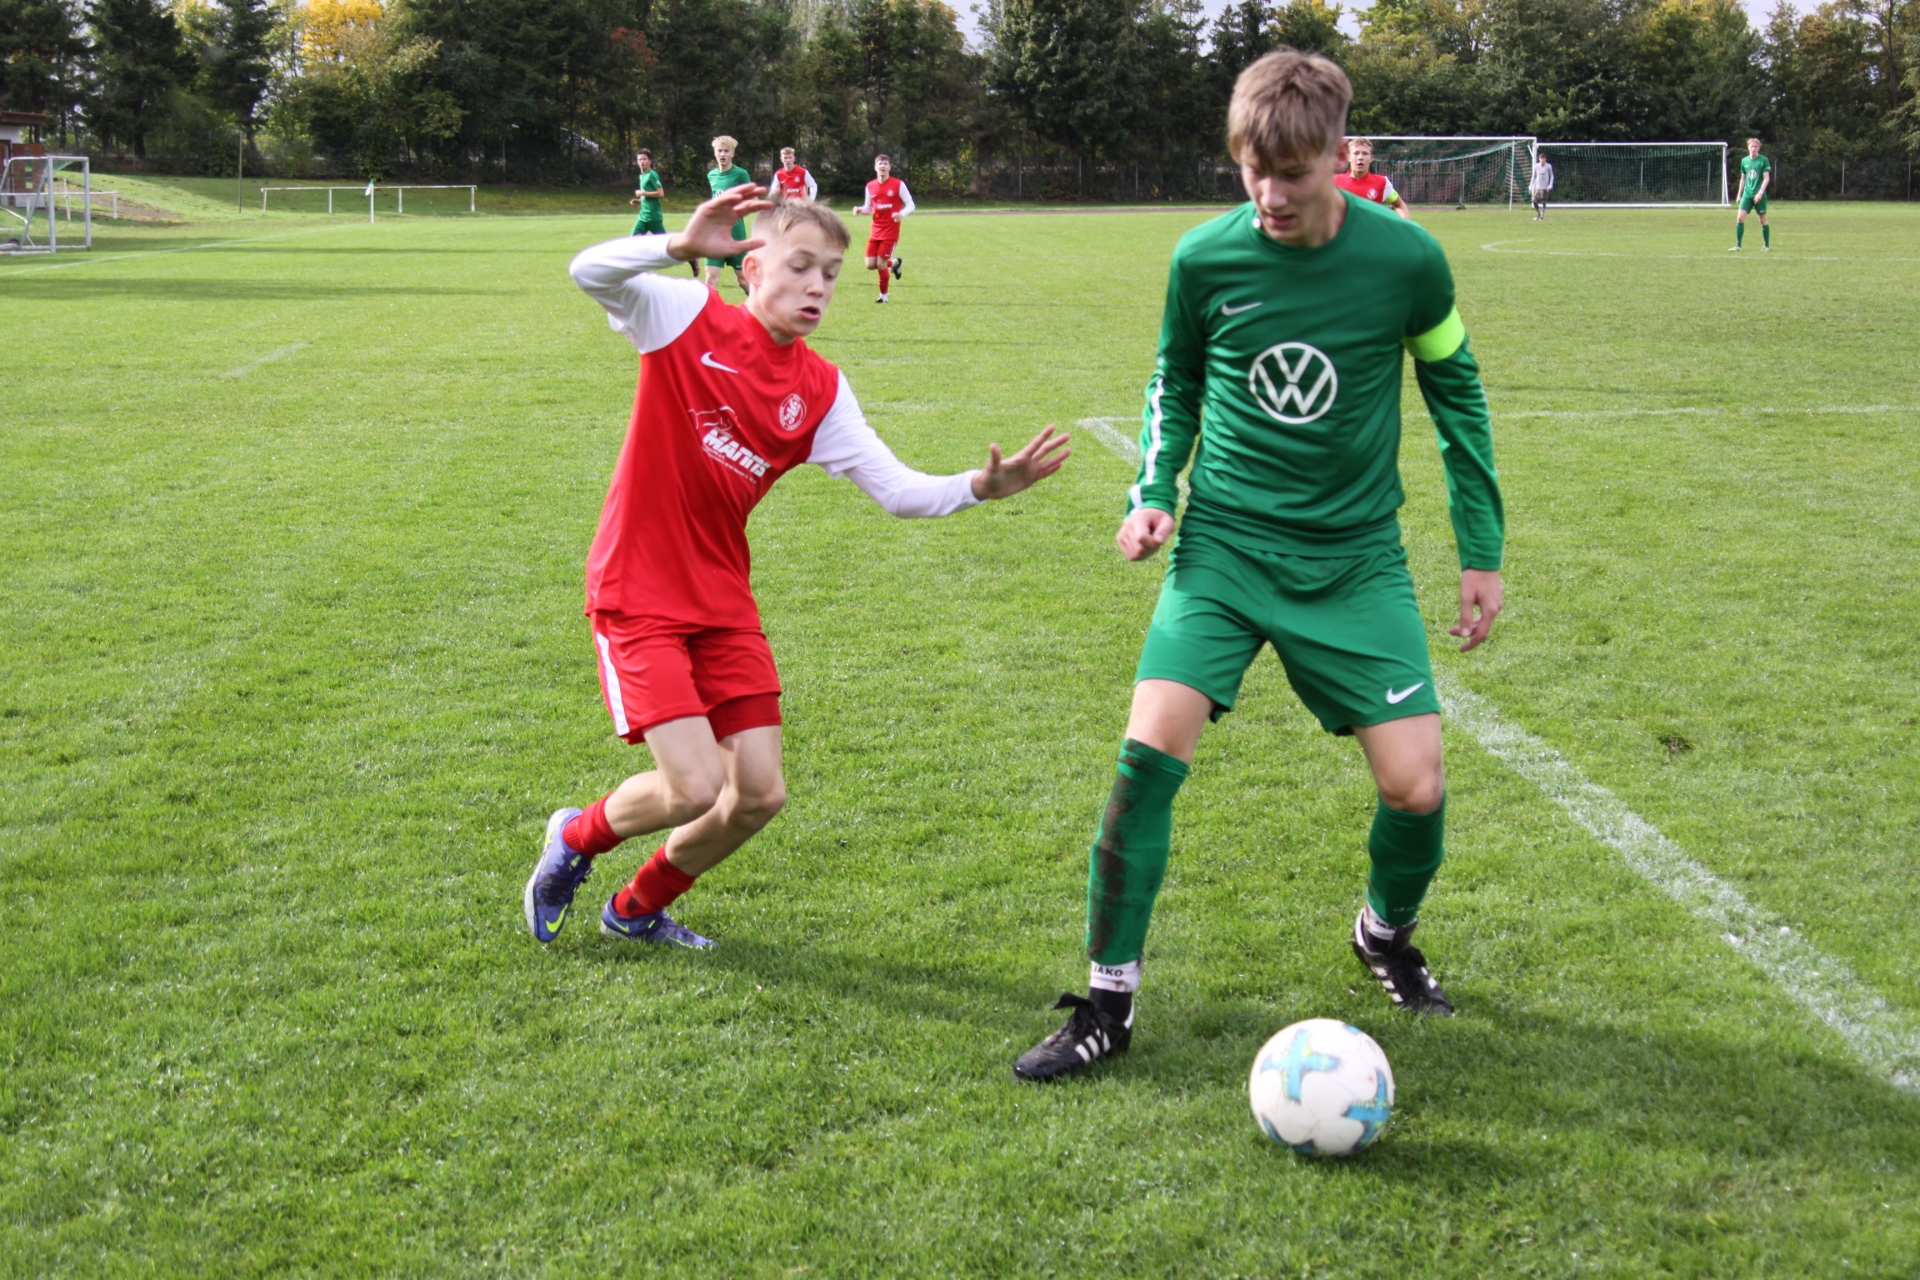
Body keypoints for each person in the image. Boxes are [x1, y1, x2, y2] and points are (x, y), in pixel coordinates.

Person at [1013, 48, 1505, 1083]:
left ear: (1338, 154)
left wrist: (1481, 550)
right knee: (1145, 760)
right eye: (1252, 171)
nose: (1270, 196)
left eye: (1292, 173)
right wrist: (1153, 490)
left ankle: (1384, 934)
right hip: (1226, 548)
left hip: (1355, 559)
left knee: (1417, 787)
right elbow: (1175, 377)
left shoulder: (1408, 260)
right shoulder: (1203, 259)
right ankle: (1107, 1001)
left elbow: (1457, 393)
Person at [525, 187, 1072, 949]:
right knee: (693, 786)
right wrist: (679, 247)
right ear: (752, 268)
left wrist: (979, 487)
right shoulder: (686, 317)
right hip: (638, 588)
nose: (817, 286)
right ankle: (574, 839)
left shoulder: (821, 390)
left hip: (722, 599)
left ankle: (635, 909)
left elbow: (898, 491)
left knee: (758, 794)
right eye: (800, 266)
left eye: (831, 274)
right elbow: (588, 270)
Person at [852, 154, 913, 303]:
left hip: (891, 231)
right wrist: (860, 210)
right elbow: (868, 208)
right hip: (875, 230)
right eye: (880, 163)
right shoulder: (870, 186)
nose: (883, 166)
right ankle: (895, 263)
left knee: (880, 264)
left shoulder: (898, 184)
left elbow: (911, 204)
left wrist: (901, 214)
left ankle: (883, 297)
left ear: (890, 167)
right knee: (869, 265)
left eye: (886, 163)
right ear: (875, 167)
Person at [705, 136, 755, 291]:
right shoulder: (712, 175)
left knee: (743, 281)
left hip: (735, 234)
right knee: (711, 279)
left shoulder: (741, 174)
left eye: (726, 151)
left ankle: (762, 307)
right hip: (714, 234)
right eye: (719, 151)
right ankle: (710, 308)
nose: (722, 154)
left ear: (733, 153)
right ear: (715, 153)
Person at [1333, 138, 1410, 219]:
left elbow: (1400, 205)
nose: (1360, 157)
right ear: (1348, 157)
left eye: (1365, 153)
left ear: (1371, 158)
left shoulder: (1382, 183)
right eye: (1356, 153)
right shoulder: (1335, 181)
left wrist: (1405, 225)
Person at [1732, 137, 1772, 251]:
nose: (1753, 148)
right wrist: (1739, 194)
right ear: (1748, 147)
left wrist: (1760, 193)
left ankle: (1766, 245)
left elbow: (1766, 178)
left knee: (1762, 219)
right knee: (1740, 218)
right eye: (1751, 146)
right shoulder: (1744, 161)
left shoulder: (1763, 160)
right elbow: (1743, 178)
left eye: (1755, 146)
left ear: (1759, 148)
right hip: (1747, 194)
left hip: (1759, 195)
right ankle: (1738, 245)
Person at [630, 148, 666, 237]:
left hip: (653, 218)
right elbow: (647, 194)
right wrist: (639, 201)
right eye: (640, 159)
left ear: (650, 161)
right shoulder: (642, 176)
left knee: (664, 242)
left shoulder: (652, 175)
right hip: (643, 218)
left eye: (644, 159)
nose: (642, 161)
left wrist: (642, 193)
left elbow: (661, 193)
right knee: (633, 240)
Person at [1529, 153, 1554, 220]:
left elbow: (1551, 175)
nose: (1542, 160)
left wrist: (1550, 184)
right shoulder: (1536, 166)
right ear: (1539, 159)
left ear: (1545, 159)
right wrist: (1531, 185)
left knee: (1543, 201)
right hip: (1537, 187)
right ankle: (1539, 214)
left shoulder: (1548, 166)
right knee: (1534, 200)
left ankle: (1542, 215)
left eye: (1544, 158)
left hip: (1545, 187)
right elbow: (1534, 176)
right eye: (1541, 158)